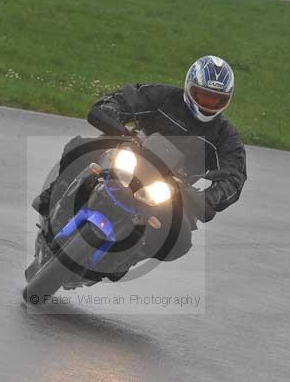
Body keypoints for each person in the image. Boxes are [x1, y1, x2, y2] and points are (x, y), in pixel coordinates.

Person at [32, 55, 247, 267]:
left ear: (226, 100)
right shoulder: (162, 96)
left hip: (169, 190)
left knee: (179, 240)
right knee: (80, 148)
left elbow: (235, 177)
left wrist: (207, 199)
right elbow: (121, 99)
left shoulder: (226, 136)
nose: (207, 103)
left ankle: (124, 260)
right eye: (202, 95)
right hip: (129, 157)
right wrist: (114, 116)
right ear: (189, 86)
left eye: (216, 99)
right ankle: (53, 197)